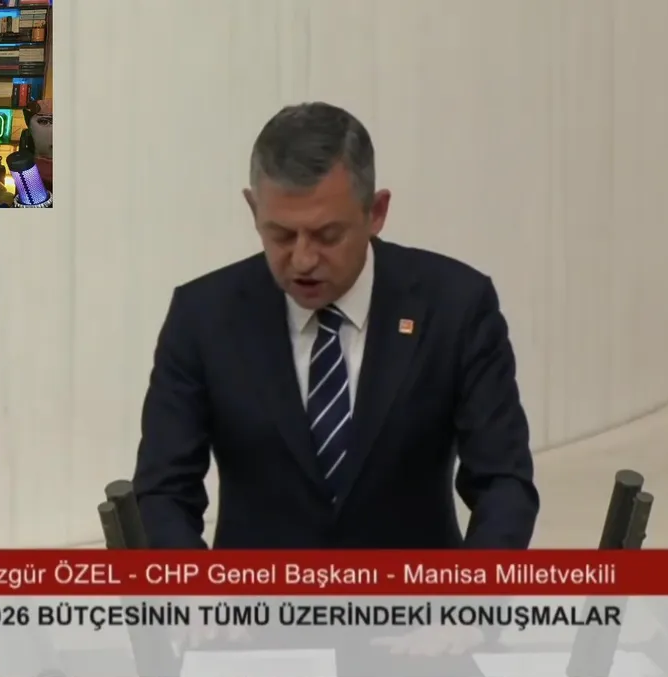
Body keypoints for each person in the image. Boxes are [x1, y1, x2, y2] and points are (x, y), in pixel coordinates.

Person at [133, 102, 539, 551]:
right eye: (281, 235)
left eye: (328, 236)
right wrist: (198, 586)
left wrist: (471, 590)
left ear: (376, 212)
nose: (303, 260)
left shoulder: (455, 308)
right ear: (253, 208)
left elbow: (504, 483)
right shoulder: (203, 317)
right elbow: (163, 493)